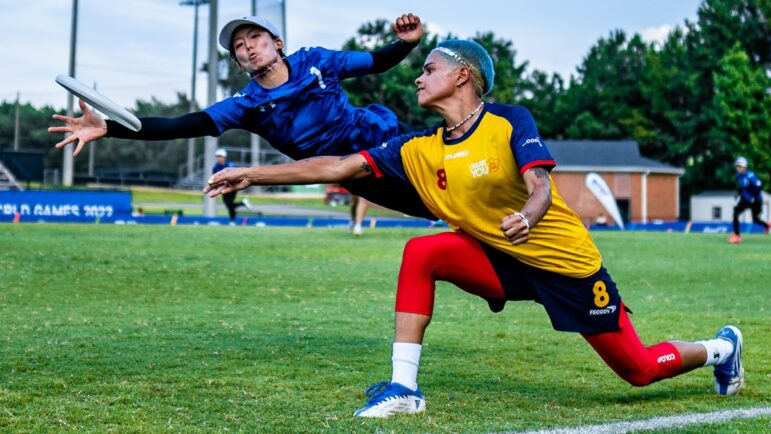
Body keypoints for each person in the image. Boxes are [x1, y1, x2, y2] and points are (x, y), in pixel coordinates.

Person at [204, 40, 745, 418]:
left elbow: (539, 186)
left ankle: (722, 348)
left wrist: (529, 215)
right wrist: (254, 172)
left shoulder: (509, 120)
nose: (418, 77)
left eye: (429, 69)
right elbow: (336, 165)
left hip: (565, 266)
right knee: (423, 252)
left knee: (639, 369)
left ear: (461, 75)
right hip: (500, 261)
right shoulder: (418, 148)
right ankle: (404, 388)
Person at [49, 13, 435, 222]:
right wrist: (111, 128)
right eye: (239, 46)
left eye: (255, 38)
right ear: (237, 63)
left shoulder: (316, 61)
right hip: (348, 172)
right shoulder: (245, 104)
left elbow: (377, 62)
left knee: (455, 172)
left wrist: (405, 44)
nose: (248, 47)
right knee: (436, 209)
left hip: (386, 137)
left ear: (277, 44)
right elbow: (183, 125)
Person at [728, 156, 768, 243]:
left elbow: (759, 186)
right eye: (737, 166)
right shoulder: (739, 175)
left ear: (744, 167)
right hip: (746, 198)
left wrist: (754, 197)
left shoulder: (750, 175)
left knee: (755, 220)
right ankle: (737, 235)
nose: (737, 168)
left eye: (739, 166)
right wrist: (737, 194)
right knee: (735, 212)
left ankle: (766, 225)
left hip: (755, 200)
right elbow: (743, 187)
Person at [213, 148, 252, 224]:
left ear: (224, 157)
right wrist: (215, 186)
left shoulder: (230, 164)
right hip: (223, 187)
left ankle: (232, 220)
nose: (218, 159)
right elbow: (214, 177)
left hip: (232, 186)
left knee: (229, 203)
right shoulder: (215, 167)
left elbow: (235, 175)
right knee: (228, 204)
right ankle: (242, 204)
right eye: (217, 157)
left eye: (220, 157)